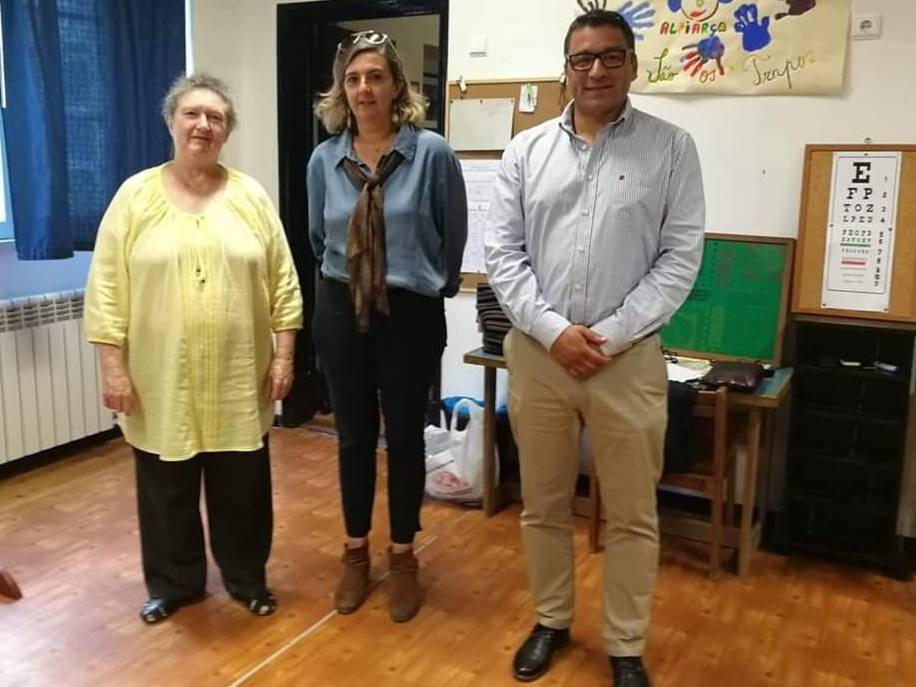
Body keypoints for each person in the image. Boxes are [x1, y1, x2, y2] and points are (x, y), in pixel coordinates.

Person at [484, 10, 705, 687]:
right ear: (567, 70)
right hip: (539, 355)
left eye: (611, 56)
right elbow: (503, 254)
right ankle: (551, 619)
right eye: (582, 59)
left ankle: (625, 644)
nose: (597, 70)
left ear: (633, 65)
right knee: (543, 503)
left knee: (634, 513)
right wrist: (554, 331)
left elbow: (680, 257)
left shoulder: (672, 148)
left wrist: (607, 335)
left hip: (626, 360)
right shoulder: (526, 152)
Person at [84, 73, 303, 624]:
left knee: (242, 490)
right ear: (170, 122)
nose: (203, 125)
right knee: (165, 488)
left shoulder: (251, 197)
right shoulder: (134, 197)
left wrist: (284, 355)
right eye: (192, 114)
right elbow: (106, 288)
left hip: (238, 375)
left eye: (215, 117)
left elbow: (283, 282)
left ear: (226, 131)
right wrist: (113, 367)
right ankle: (174, 584)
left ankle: (246, 579)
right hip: (159, 378)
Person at [307, 30, 467, 623]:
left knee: (403, 437)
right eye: (353, 79)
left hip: (410, 312)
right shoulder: (324, 160)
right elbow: (319, 239)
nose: (364, 89)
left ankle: (402, 556)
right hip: (340, 307)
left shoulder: (432, 154)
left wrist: (424, 285)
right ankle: (355, 552)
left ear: (397, 85)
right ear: (341, 90)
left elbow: (452, 238)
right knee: (351, 436)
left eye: (375, 76)